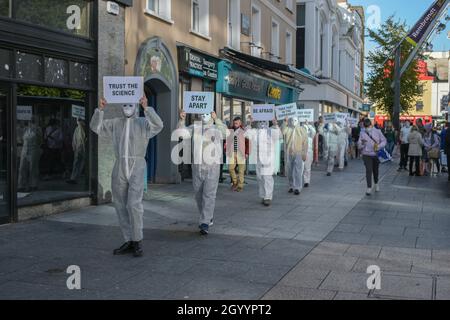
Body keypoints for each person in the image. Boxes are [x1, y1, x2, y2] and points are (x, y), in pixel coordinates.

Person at [90, 96, 163, 257]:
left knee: (133, 204)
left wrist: (147, 108)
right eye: (124, 104)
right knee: (120, 204)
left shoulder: (143, 122)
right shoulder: (116, 123)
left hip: (137, 165)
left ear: (135, 105)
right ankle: (128, 239)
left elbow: (159, 125)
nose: (127, 107)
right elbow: (96, 127)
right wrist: (100, 110)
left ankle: (137, 240)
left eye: (130, 104)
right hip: (120, 165)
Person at [178, 110, 227, 235]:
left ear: (212, 113)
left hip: (212, 167)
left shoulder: (217, 127)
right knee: (198, 195)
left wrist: (217, 119)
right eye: (203, 113)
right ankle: (206, 216)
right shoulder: (195, 127)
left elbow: (225, 133)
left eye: (207, 113)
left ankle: (204, 222)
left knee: (209, 195)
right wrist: (182, 120)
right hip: (197, 166)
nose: (204, 116)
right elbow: (181, 134)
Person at [247, 117, 281, 206]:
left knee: (267, 177)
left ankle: (268, 197)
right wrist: (249, 123)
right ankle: (263, 195)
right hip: (258, 157)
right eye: (260, 121)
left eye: (264, 121)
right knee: (259, 177)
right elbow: (247, 134)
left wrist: (275, 125)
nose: (262, 123)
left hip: (268, 157)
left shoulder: (271, 130)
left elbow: (279, 136)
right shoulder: (256, 131)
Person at [358, 118, 387, 196]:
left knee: (375, 170)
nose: (367, 128)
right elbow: (359, 145)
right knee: (368, 170)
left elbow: (384, 140)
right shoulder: (362, 133)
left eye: (368, 126)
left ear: (371, 125)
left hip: (375, 154)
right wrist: (362, 144)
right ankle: (369, 187)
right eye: (365, 127)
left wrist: (379, 146)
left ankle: (376, 183)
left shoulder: (378, 131)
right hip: (366, 154)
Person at [282, 117, 308, 195]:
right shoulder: (288, 129)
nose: (293, 122)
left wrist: (304, 153)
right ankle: (291, 185)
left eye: (295, 120)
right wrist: (284, 122)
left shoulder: (302, 129)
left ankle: (297, 187)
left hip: (299, 152)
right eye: (292, 120)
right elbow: (282, 132)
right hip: (289, 152)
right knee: (289, 170)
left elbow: (305, 142)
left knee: (298, 170)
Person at [18, 119, 42, 192]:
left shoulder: (38, 130)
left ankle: (33, 185)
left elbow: (40, 141)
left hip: (33, 150)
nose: (30, 124)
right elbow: (21, 139)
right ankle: (21, 185)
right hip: (24, 151)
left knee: (33, 168)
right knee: (22, 168)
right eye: (29, 122)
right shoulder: (25, 130)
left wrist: (36, 131)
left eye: (32, 122)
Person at [227, 117, 249, 192]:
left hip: (241, 153)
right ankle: (235, 182)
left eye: (237, 123)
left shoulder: (243, 131)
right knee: (230, 168)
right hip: (232, 152)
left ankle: (240, 186)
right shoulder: (230, 130)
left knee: (241, 170)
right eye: (234, 123)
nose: (235, 124)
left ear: (240, 123)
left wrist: (247, 153)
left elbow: (248, 142)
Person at [67, 119, 86, 184]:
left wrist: (75, 147)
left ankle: (74, 178)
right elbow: (77, 139)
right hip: (79, 148)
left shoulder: (80, 128)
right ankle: (74, 178)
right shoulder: (80, 128)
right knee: (78, 163)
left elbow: (80, 139)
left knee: (78, 163)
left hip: (79, 148)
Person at [302, 121, 316, 188]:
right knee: (300, 168)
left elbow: (314, 131)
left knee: (307, 168)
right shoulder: (300, 135)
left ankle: (306, 181)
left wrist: (309, 125)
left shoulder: (310, 135)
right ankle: (297, 183)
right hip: (300, 152)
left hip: (308, 152)